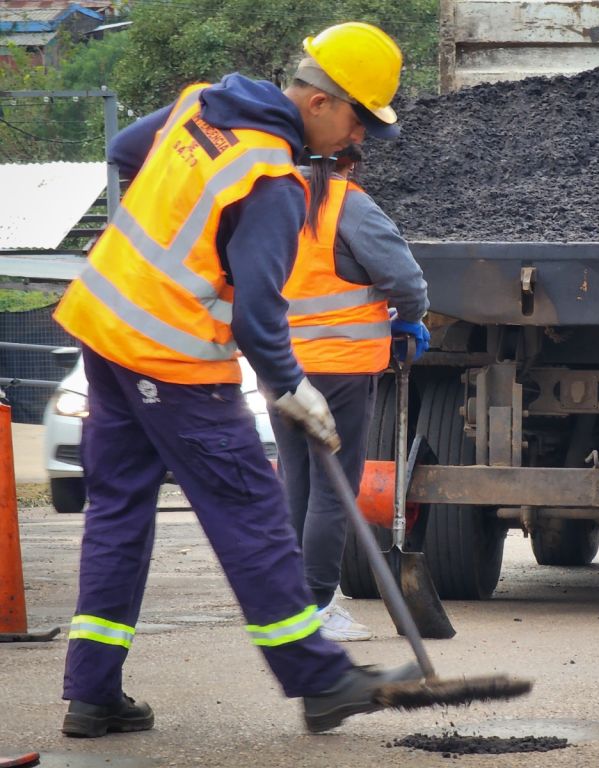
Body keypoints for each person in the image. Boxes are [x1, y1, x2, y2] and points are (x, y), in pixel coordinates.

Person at [52, 22, 422, 738]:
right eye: (359, 122)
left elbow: (125, 149)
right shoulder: (273, 179)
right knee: (251, 510)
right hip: (173, 357)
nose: (358, 142)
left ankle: (93, 692)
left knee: (118, 510)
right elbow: (259, 316)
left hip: (105, 324)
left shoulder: (203, 104)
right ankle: (319, 681)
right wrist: (294, 385)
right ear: (320, 101)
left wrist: (180, 224)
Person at [270, 64, 429, 642]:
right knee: (335, 490)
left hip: (281, 367)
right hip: (339, 371)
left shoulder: (270, 200)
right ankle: (315, 607)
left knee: (296, 485)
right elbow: (404, 277)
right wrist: (411, 318)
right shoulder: (347, 204)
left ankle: (288, 601)